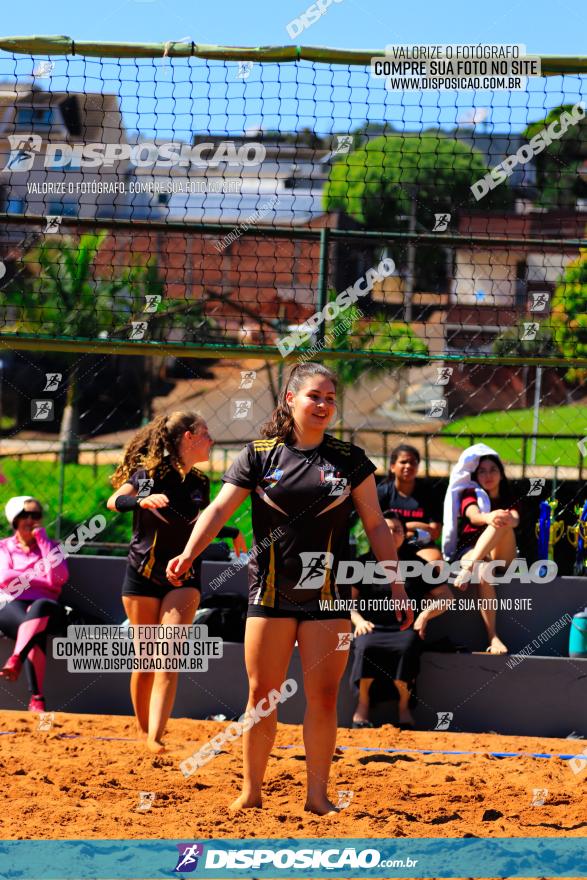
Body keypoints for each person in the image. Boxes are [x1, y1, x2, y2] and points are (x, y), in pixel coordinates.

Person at [166, 362, 413, 815]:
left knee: (322, 697)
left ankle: (317, 797)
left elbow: (377, 525)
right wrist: (188, 552)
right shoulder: (260, 454)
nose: (322, 405)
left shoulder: (350, 460)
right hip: (270, 594)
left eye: (329, 398)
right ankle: (251, 791)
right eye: (314, 396)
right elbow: (219, 510)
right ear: (291, 401)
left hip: (328, 597)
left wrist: (394, 583)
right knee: (261, 696)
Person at [107, 411, 247, 753]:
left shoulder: (200, 481)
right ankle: (143, 733)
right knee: (146, 660)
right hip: (142, 576)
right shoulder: (151, 475)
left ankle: (156, 737)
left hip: (184, 578)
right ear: (188, 436)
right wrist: (141, 499)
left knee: (167, 658)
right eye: (206, 433)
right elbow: (114, 501)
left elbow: (195, 522)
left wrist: (232, 532)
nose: (212, 440)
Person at [350, 512, 452, 729]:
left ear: (405, 535)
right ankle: (363, 705)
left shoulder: (418, 564)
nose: (391, 534)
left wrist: (424, 615)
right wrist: (358, 621)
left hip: (405, 628)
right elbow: (346, 602)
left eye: (397, 530)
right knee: (365, 645)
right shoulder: (362, 563)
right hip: (371, 628)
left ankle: (404, 708)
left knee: (407, 646)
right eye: (385, 529)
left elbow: (446, 597)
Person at [441, 443, 521, 654]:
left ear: (501, 475)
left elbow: (515, 520)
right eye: (482, 471)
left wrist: (501, 516)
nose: (488, 475)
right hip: (471, 550)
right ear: (476, 475)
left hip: (502, 555)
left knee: (503, 522)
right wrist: (490, 516)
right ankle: (493, 637)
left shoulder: (508, 496)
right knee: (485, 568)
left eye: (493, 470)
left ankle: (469, 568)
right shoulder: (470, 492)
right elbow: (473, 515)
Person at [0, 496, 69, 712]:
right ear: (14, 520)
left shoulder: (51, 547)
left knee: (39, 607)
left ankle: (16, 659)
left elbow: (58, 579)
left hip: (47, 607)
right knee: (34, 627)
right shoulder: (4, 547)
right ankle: (37, 699)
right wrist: (42, 579)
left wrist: (44, 542)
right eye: (25, 515)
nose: (31, 520)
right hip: (11, 605)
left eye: (36, 515)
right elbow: (4, 578)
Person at [376, 445, 442, 563]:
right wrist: (418, 527)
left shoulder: (429, 494)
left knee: (435, 561)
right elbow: (376, 527)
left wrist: (399, 528)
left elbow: (435, 533)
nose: (408, 466)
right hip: (390, 544)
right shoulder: (382, 493)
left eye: (413, 462)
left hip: (420, 544)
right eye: (403, 462)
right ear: (392, 466)